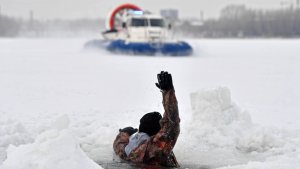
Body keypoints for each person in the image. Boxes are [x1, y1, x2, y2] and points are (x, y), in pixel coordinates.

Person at [113, 71, 180, 167]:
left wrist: (124, 133)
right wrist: (168, 92)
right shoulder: (157, 149)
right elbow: (172, 123)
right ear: (158, 133)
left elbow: (119, 145)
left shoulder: (132, 152)